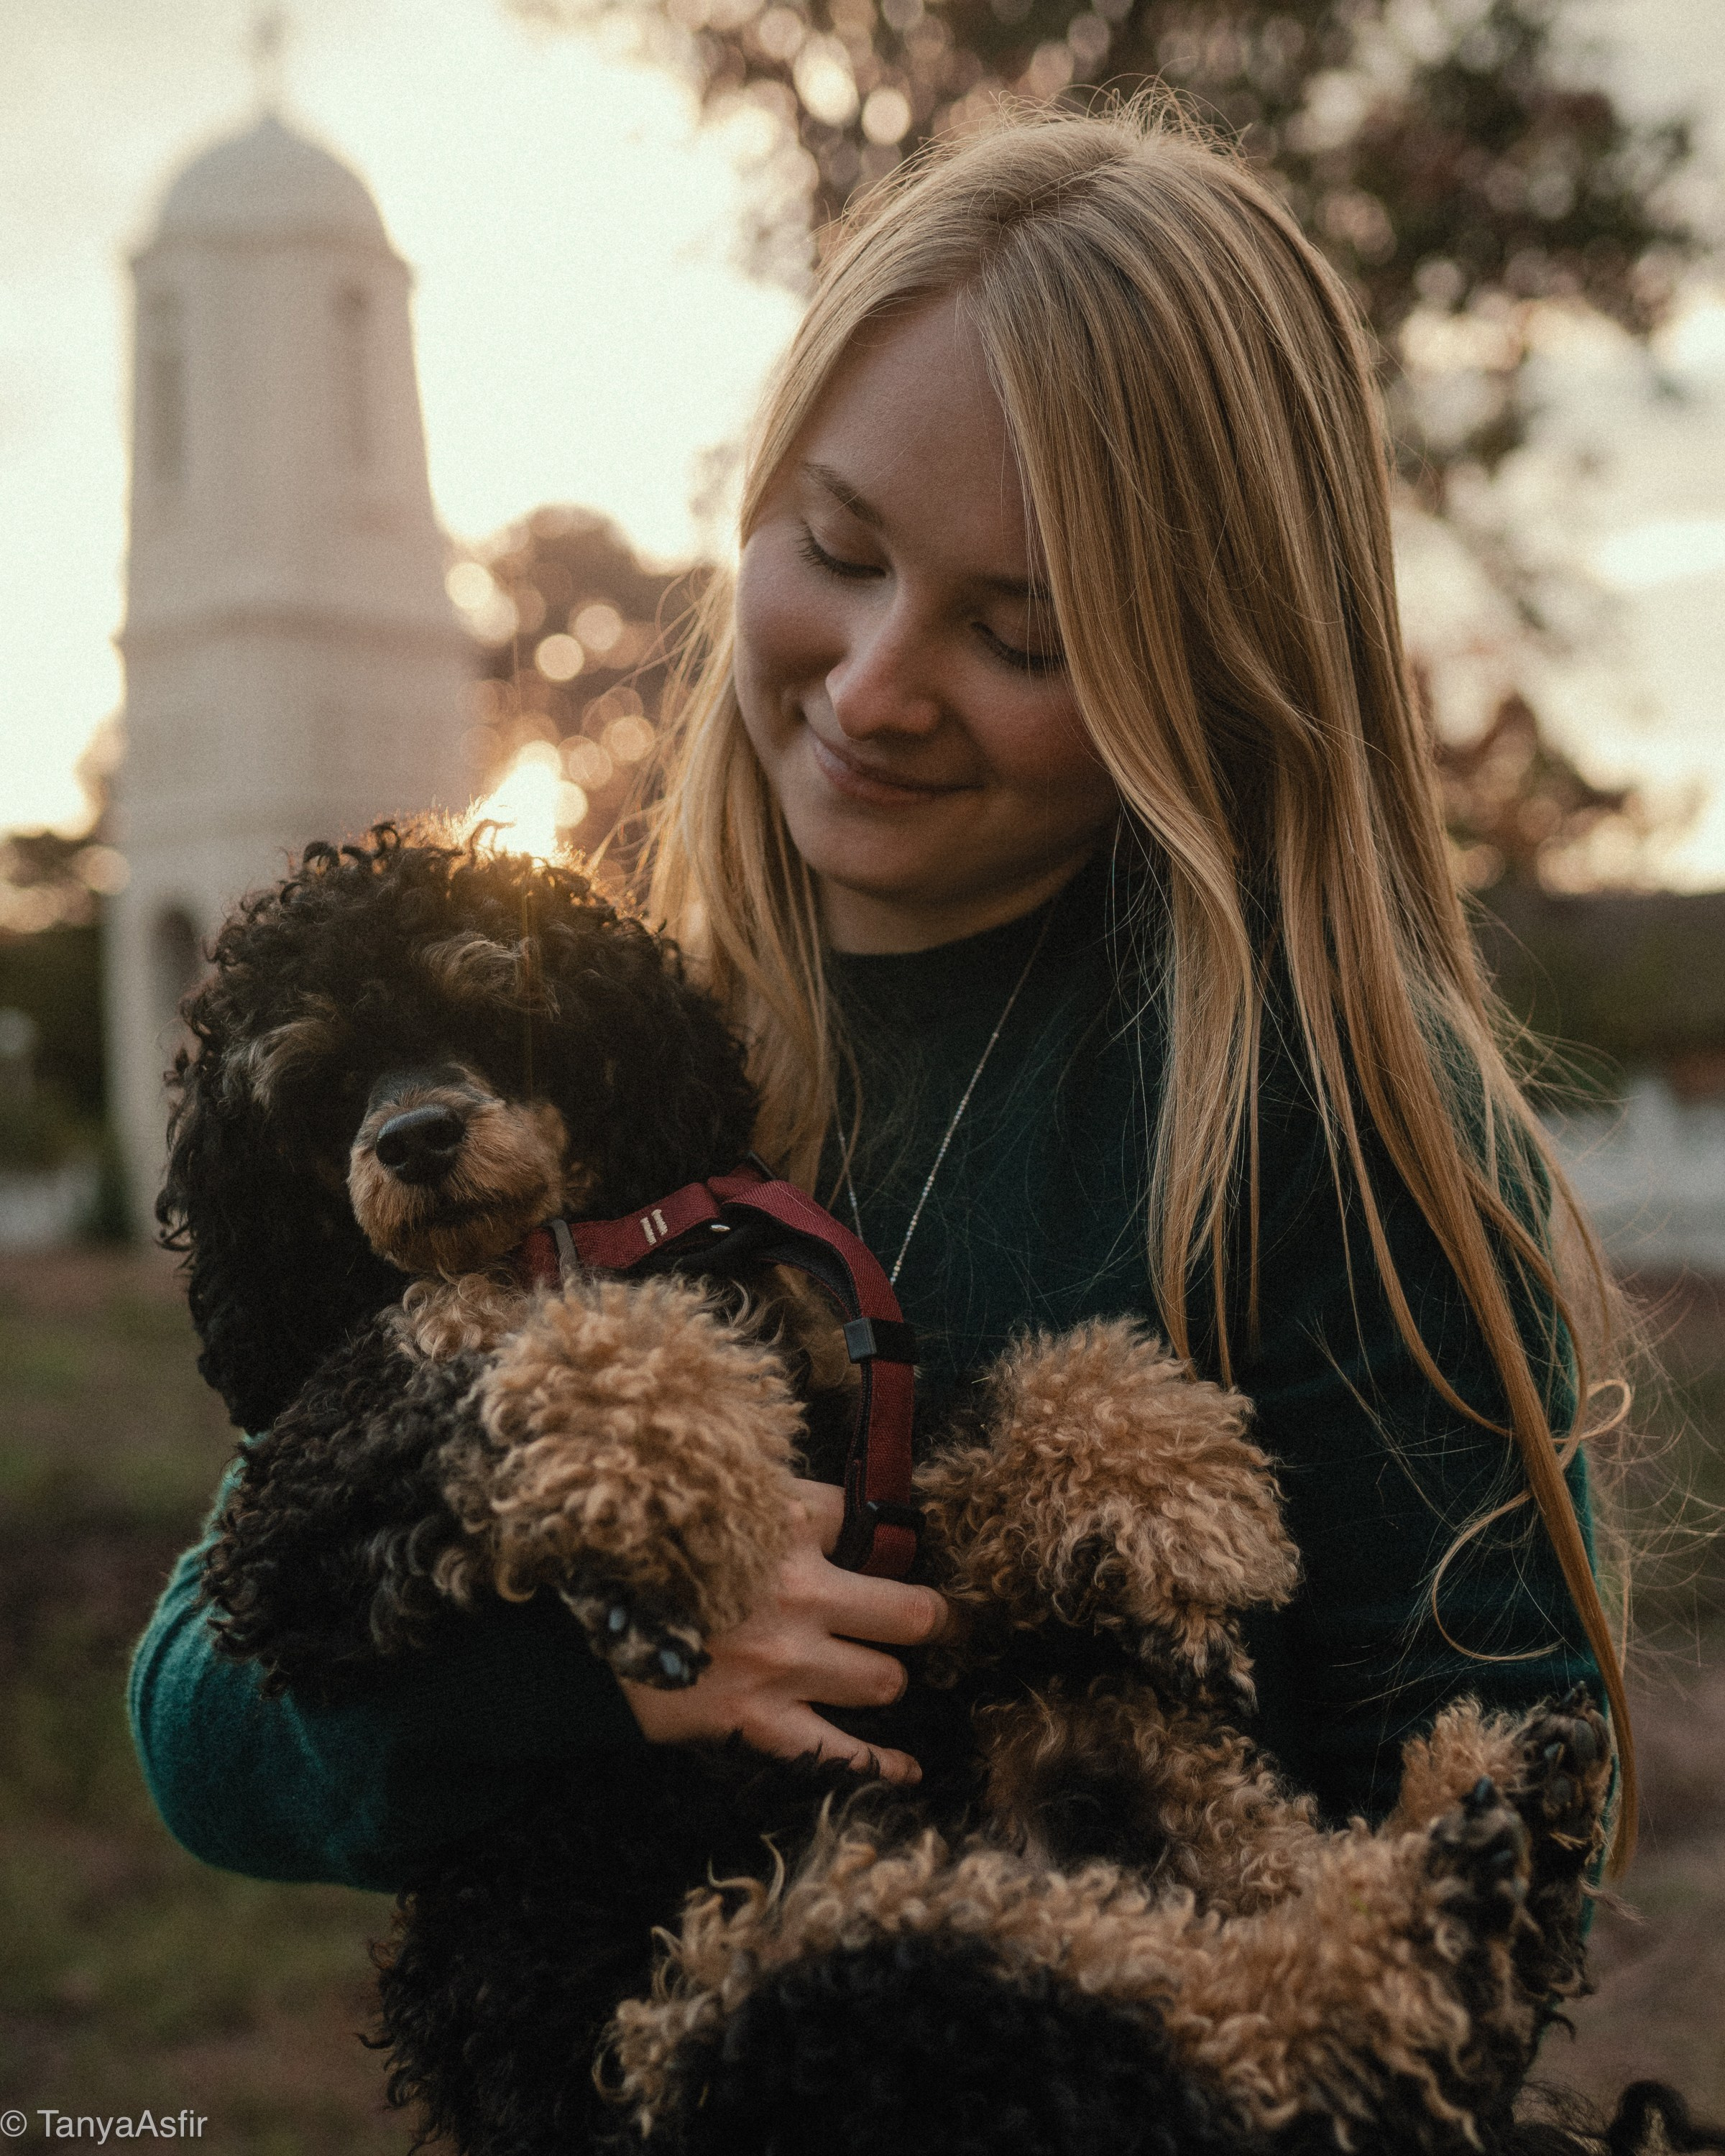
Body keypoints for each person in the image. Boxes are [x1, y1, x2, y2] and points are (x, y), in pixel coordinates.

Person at [129, 100, 1632, 1892]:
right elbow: (196, 1703)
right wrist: (588, 1676)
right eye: (837, 552)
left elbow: (1509, 1793)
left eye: (1024, 635)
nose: (873, 686)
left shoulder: (1308, 1116)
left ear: (1215, 672)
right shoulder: (596, 1038)